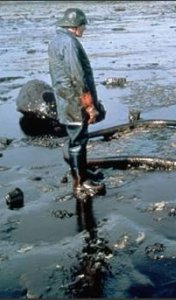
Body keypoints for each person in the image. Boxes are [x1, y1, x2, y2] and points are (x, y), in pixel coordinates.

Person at [48, 8, 106, 200]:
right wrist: (89, 104)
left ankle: (82, 174)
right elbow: (77, 76)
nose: (85, 29)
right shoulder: (69, 43)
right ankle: (80, 182)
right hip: (74, 99)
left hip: (66, 97)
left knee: (79, 137)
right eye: (83, 25)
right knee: (78, 140)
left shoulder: (58, 40)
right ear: (75, 26)